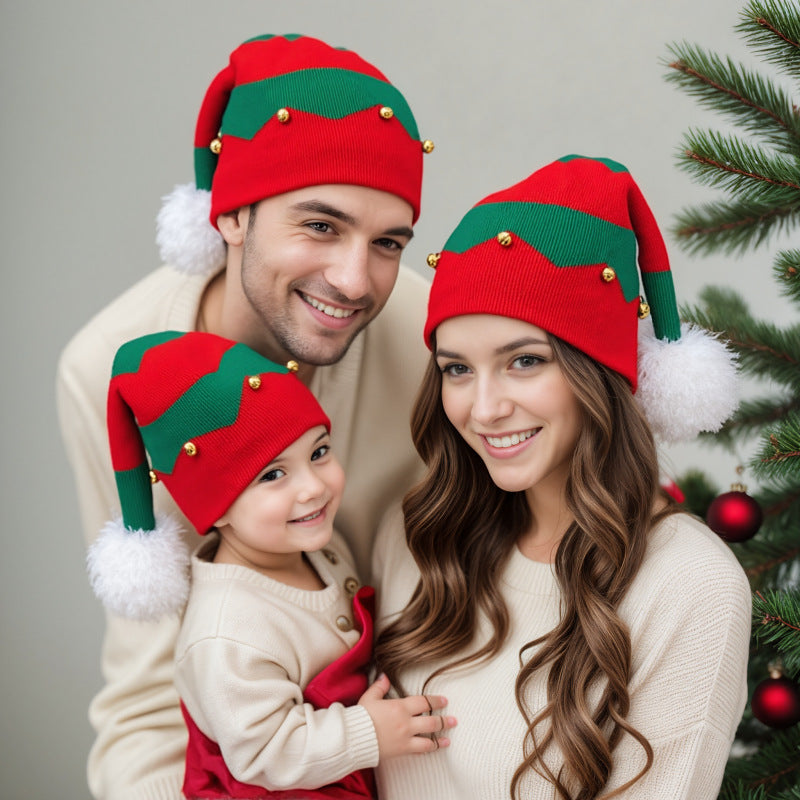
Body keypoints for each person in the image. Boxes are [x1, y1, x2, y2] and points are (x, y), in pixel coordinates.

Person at [56, 34, 434, 800]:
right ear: (230, 215)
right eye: (320, 226)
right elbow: (151, 698)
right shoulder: (105, 371)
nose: (355, 280)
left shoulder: (439, 343)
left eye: (387, 242)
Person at [372, 155, 752, 799]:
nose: (483, 408)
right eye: (457, 368)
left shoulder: (691, 584)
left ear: (596, 373)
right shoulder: (415, 535)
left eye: (524, 361)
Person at [87, 330, 454, 799]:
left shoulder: (315, 544)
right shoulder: (226, 632)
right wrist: (368, 732)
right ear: (215, 507)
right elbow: (266, 754)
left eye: (319, 452)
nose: (313, 488)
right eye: (273, 475)